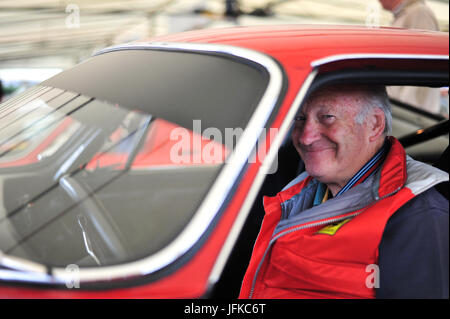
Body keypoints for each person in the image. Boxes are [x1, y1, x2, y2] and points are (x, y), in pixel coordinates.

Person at [239, 84, 449, 299]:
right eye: (300, 118)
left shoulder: (418, 213)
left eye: (327, 117)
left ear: (375, 124)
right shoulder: (296, 189)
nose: (305, 137)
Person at [379, 0, 441, 113]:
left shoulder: (419, 13)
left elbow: (424, 66)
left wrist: (408, 112)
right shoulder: (408, 14)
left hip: (411, 114)